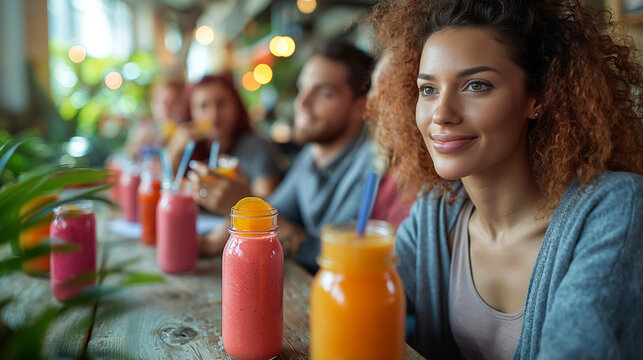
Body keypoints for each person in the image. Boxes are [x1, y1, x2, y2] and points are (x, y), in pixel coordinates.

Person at [368, 0, 643, 359]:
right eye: (428, 89)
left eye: (476, 86)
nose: (441, 114)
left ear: (538, 98)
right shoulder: (435, 217)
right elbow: (363, 302)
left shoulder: (614, 209)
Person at [167, 74, 281, 251]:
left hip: (240, 245)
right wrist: (174, 150)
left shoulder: (256, 147)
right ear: (191, 112)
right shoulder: (189, 149)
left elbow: (266, 205)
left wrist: (208, 243)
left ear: (237, 106)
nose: (214, 114)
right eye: (203, 106)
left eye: (221, 103)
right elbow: (168, 191)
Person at [124, 77, 184, 159]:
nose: (167, 109)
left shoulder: (182, 129)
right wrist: (137, 144)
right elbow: (128, 156)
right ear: (153, 103)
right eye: (164, 102)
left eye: (173, 102)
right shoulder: (142, 129)